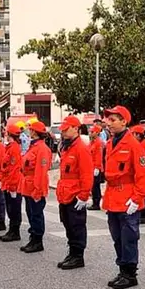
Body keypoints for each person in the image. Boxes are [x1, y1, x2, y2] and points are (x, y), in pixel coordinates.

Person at [102, 106, 145, 289]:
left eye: (113, 119)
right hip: (113, 196)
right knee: (117, 237)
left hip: (127, 198)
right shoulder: (110, 143)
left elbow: (143, 174)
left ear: (124, 121)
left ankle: (130, 274)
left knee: (129, 237)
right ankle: (122, 269)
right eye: (108, 119)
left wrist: (138, 198)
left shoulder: (133, 145)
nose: (109, 123)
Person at [56, 115, 94, 270]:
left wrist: (84, 195)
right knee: (68, 224)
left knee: (76, 225)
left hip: (75, 194)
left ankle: (78, 256)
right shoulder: (67, 147)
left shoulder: (80, 148)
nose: (63, 133)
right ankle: (72, 252)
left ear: (76, 129)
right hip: (65, 193)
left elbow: (86, 173)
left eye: (66, 130)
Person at [19, 121, 53, 253]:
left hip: (35, 185)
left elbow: (41, 172)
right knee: (31, 213)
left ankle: (37, 241)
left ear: (34, 132)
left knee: (36, 214)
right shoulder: (33, 146)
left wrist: (37, 190)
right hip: (28, 185)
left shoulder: (42, 149)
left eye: (30, 129)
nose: (28, 131)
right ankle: (33, 238)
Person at [0, 123, 24, 242]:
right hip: (8, 181)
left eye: (6, 132)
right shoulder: (9, 147)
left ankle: (15, 231)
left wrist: (13, 186)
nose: (4, 133)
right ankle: (12, 230)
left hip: (13, 183)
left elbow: (14, 168)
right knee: (10, 207)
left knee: (14, 208)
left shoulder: (14, 148)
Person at [130, 126, 145, 225]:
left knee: (144, 195)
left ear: (139, 135)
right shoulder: (137, 145)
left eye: (134, 134)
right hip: (138, 174)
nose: (132, 136)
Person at [88, 125, 104, 211]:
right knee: (93, 187)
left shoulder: (98, 143)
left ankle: (96, 203)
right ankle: (95, 202)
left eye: (92, 132)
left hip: (95, 168)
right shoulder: (92, 142)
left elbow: (99, 156)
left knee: (95, 187)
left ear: (97, 133)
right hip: (91, 167)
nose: (90, 133)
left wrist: (97, 167)